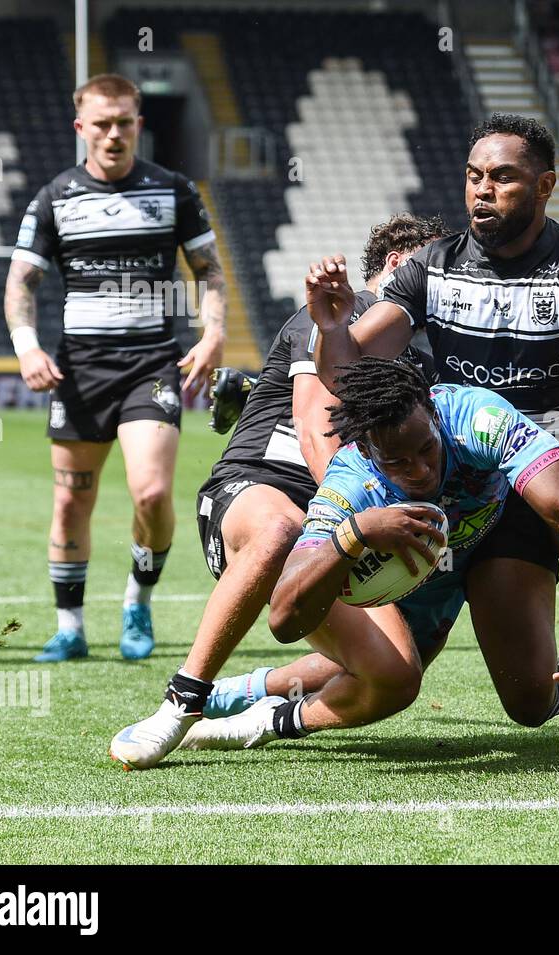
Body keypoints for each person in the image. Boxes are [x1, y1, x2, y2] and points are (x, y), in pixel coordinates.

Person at [302, 113, 559, 778]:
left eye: (502, 177)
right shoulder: (430, 269)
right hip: (474, 472)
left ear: (546, 185)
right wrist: (329, 327)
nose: (482, 190)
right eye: (473, 177)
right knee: (524, 702)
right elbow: (351, 375)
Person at [177, 359, 559, 762]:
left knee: (529, 705)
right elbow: (285, 617)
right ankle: (246, 695)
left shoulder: (475, 416)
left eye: (427, 449)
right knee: (393, 670)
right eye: (399, 464)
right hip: (418, 565)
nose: (422, 470)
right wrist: (356, 534)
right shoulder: (350, 483)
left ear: (432, 413)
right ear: (367, 451)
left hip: (497, 534)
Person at [109, 214, 445, 769]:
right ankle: (182, 701)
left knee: (397, 675)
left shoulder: (424, 361)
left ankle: (250, 703)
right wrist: (359, 516)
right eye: (432, 269)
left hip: (335, 529)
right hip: (255, 493)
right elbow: (318, 432)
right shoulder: (338, 317)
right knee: (281, 527)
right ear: (396, 265)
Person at [5, 73, 226, 663]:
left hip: (152, 365)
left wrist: (214, 333)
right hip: (78, 371)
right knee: (71, 501)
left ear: (138, 125)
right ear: (81, 128)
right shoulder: (55, 197)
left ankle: (137, 600)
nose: (113, 134)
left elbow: (208, 269)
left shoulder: (173, 190)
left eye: (124, 122)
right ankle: (70, 627)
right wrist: (27, 346)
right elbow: (21, 281)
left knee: (152, 493)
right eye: (101, 123)